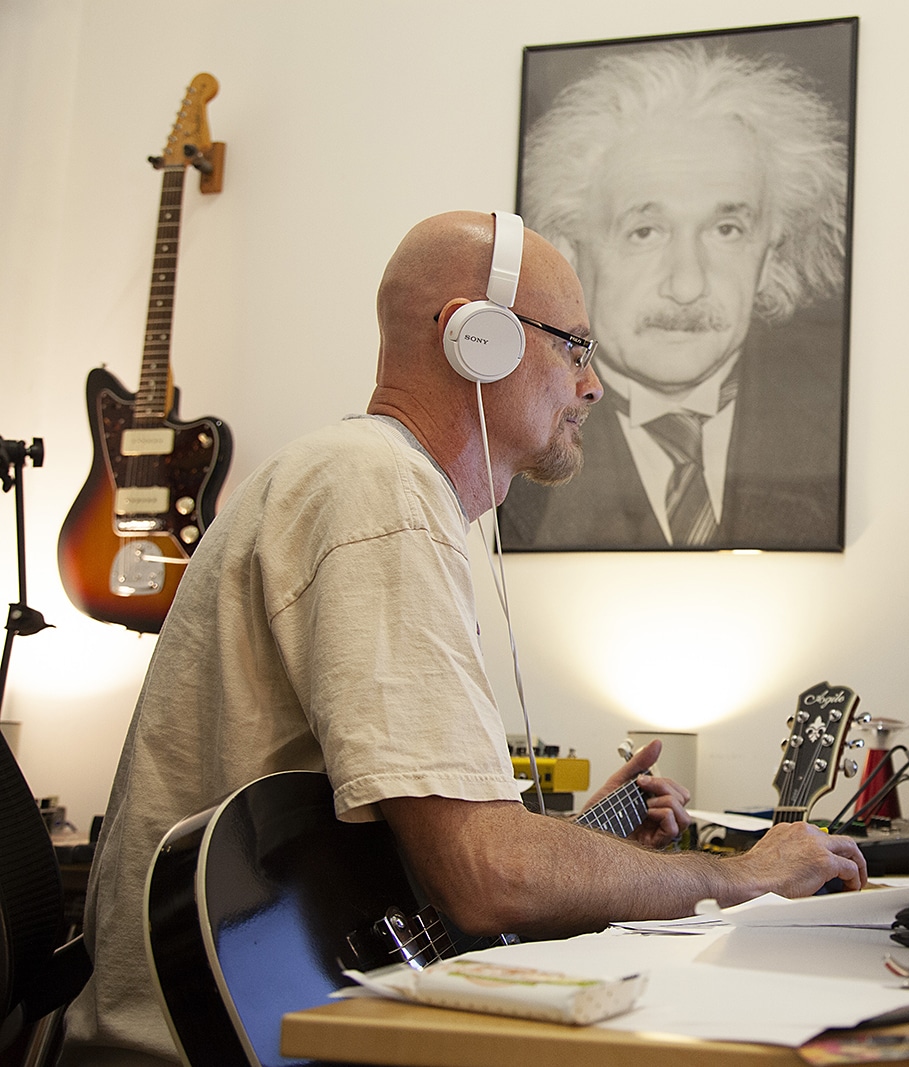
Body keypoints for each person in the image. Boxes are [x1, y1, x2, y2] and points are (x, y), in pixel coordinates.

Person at [59, 211, 867, 1067]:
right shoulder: (380, 492)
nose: (593, 387)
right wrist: (742, 875)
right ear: (474, 340)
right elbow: (486, 878)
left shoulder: (364, 485)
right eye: (575, 348)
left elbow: (418, 865)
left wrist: (590, 838)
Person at [499, 40, 850, 551]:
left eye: (727, 229)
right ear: (570, 251)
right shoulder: (510, 436)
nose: (687, 285)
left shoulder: (826, 421)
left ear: (772, 254)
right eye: (645, 231)